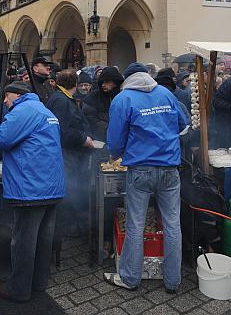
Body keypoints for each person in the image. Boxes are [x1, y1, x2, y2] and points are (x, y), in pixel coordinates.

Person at [102, 63, 187, 294]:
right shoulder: (166, 93)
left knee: (136, 224)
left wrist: (116, 154)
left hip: (140, 169)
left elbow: (116, 140)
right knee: (172, 224)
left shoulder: (123, 99)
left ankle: (130, 279)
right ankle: (173, 281)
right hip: (170, 168)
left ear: (127, 79)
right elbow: (182, 124)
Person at [0, 82, 64, 303]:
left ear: (16, 95)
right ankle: (38, 283)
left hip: (31, 189)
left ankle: (18, 289)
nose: (5, 103)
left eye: (6, 98)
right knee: (43, 238)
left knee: (23, 241)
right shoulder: (44, 110)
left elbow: (1, 139)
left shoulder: (23, 111)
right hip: (51, 185)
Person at [46, 69, 95, 237]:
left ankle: (73, 225)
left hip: (72, 154)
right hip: (68, 155)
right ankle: (70, 227)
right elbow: (63, 130)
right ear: (75, 84)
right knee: (70, 191)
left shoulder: (62, 98)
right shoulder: (61, 100)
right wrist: (84, 139)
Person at [82, 67, 124, 142]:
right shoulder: (92, 98)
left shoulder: (123, 97)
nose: (103, 85)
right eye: (102, 82)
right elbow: (91, 119)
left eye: (107, 81)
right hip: (99, 139)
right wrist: (110, 129)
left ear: (115, 82)